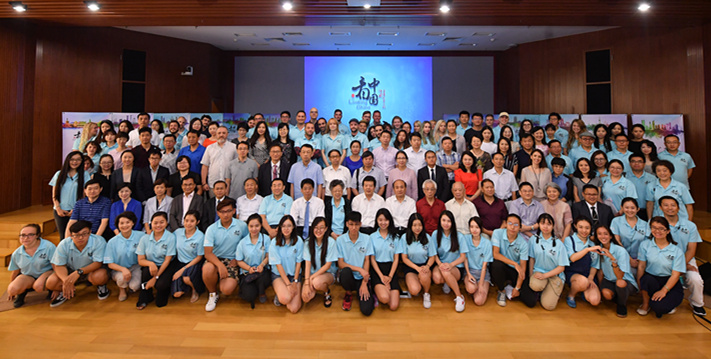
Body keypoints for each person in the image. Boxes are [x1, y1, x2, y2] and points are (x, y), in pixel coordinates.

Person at [659, 196, 706, 316]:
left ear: (678, 208)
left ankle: (697, 304)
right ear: (660, 207)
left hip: (686, 260)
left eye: (673, 205)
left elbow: (691, 249)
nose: (670, 208)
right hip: (663, 260)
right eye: (666, 205)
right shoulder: (655, 224)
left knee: (695, 279)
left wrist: (681, 266)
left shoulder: (690, 226)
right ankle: (668, 302)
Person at [46, 220, 110, 307]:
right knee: (51, 282)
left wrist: (79, 272)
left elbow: (98, 263)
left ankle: (101, 286)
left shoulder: (98, 241)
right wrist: (66, 281)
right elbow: (58, 265)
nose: (80, 238)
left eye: (84, 234)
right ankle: (67, 291)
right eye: (76, 235)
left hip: (90, 270)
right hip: (71, 270)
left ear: (90, 232)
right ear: (71, 236)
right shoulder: (64, 244)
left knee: (100, 276)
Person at [202, 198, 247, 312]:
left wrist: (237, 259)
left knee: (226, 290)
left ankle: (220, 282)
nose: (225, 214)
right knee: (207, 269)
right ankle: (212, 294)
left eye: (228, 211)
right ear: (218, 213)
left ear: (234, 211)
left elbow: (247, 245)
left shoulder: (242, 226)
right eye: (222, 212)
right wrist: (219, 265)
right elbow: (208, 253)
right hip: (215, 259)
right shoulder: (211, 229)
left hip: (233, 259)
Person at [636, 216, 686, 318]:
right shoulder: (645, 245)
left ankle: (662, 303)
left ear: (667, 231)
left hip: (669, 282)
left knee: (659, 308)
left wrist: (664, 290)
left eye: (661, 228)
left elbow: (675, 275)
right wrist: (639, 284)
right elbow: (641, 266)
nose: (657, 231)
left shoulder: (676, 251)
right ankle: (645, 304)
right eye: (654, 228)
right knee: (646, 279)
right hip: (652, 279)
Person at [519, 214, 569, 310]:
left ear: (553, 226)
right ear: (539, 225)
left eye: (549, 224)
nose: (545, 227)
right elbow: (532, 259)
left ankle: (549, 290)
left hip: (554, 276)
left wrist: (545, 276)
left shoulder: (559, 244)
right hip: (538, 272)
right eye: (542, 223)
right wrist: (531, 276)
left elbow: (561, 267)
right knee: (535, 285)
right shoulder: (533, 240)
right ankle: (542, 289)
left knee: (549, 306)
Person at [592, 224, 638, 318]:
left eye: (605, 234)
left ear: (610, 236)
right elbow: (600, 271)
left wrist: (612, 258)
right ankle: (621, 297)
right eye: (599, 234)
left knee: (620, 283)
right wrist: (600, 290)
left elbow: (620, 276)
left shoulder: (620, 251)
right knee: (606, 294)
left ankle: (622, 305)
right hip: (609, 279)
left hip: (624, 280)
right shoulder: (598, 249)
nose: (603, 236)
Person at [7, 224, 56, 308]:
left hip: (47, 273)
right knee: (12, 289)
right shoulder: (17, 253)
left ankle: (50, 289)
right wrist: (11, 289)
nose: (26, 238)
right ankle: (21, 293)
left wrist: (56, 287)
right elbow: (15, 272)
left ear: (37, 235)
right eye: (23, 235)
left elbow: (57, 267)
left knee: (38, 286)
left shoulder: (49, 247)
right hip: (28, 275)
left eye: (30, 235)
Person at [135, 212, 177, 309]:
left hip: (166, 265)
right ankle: (145, 296)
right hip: (151, 264)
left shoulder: (170, 237)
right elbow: (140, 260)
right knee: (145, 273)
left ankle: (164, 290)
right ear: (151, 223)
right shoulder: (144, 238)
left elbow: (167, 260)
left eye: (162, 222)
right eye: (155, 223)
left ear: (166, 223)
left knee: (160, 298)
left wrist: (156, 277)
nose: (158, 225)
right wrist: (151, 264)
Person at [337, 212, 375, 316]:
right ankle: (348, 293)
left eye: (356, 224)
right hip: (349, 277)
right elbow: (340, 263)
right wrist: (359, 269)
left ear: (360, 224)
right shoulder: (340, 240)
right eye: (351, 224)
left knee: (367, 310)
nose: (354, 227)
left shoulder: (367, 238)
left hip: (362, 278)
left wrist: (364, 282)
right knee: (345, 272)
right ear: (347, 224)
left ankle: (366, 287)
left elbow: (367, 260)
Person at [431, 210, 468, 312]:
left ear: (452, 223)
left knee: (445, 272)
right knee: (437, 279)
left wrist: (451, 265)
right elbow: (434, 254)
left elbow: (463, 257)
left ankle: (459, 297)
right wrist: (440, 264)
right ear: (440, 221)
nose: (446, 223)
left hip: (456, 267)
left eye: (448, 221)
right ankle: (448, 282)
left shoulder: (459, 236)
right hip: (441, 265)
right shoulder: (435, 234)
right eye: (443, 220)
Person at [50, 151, 91, 240]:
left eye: (78, 160)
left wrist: (76, 209)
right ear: (67, 160)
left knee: (76, 237)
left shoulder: (85, 174)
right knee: (63, 237)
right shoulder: (59, 174)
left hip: (76, 210)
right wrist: (58, 208)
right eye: (72, 159)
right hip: (60, 210)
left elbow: (85, 194)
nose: (75, 162)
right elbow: (55, 194)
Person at [369, 208, 404, 311]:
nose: (383, 223)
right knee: (385, 298)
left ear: (390, 221)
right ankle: (376, 291)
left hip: (391, 270)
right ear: (376, 221)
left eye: (386, 220)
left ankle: (382, 291)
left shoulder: (396, 237)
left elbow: (396, 259)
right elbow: (372, 259)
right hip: (377, 270)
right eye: (380, 220)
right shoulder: (372, 237)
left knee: (393, 306)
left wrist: (389, 277)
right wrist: (382, 277)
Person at [490, 214, 528, 307]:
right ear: (506, 224)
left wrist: (517, 288)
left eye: (516, 225)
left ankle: (510, 287)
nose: (512, 227)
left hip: (515, 271)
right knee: (496, 265)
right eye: (510, 223)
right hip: (502, 266)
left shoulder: (523, 244)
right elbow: (496, 254)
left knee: (530, 301)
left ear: (520, 227)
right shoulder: (497, 233)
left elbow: (522, 268)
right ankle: (502, 290)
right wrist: (514, 263)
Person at [563, 217, 601, 308]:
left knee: (595, 301)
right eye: (581, 227)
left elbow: (595, 265)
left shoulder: (593, 244)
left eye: (587, 228)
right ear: (575, 226)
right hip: (573, 273)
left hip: (587, 274)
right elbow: (572, 258)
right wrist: (587, 249)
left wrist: (591, 278)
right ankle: (571, 295)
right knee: (582, 282)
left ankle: (583, 291)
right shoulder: (569, 240)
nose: (584, 230)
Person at [104, 212, 142, 302]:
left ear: (133, 223)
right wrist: (123, 269)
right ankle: (122, 289)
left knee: (134, 286)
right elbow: (110, 264)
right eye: (121, 223)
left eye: (128, 222)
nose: (125, 225)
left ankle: (132, 286)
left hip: (136, 267)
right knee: (121, 278)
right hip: (119, 268)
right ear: (117, 225)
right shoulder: (112, 242)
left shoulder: (141, 236)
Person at [269, 215, 304, 313]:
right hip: (279, 276)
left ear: (293, 227)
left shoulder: (299, 241)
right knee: (285, 298)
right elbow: (278, 265)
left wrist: (295, 281)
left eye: (289, 226)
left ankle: (285, 292)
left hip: (294, 275)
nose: (286, 229)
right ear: (280, 227)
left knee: (294, 309)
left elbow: (298, 263)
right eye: (283, 226)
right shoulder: (274, 242)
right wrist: (288, 284)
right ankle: (281, 293)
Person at [302, 217, 339, 308]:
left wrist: (312, 278)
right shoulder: (307, 242)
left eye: (322, 227)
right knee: (305, 298)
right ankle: (315, 286)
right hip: (312, 275)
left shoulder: (331, 242)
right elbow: (307, 264)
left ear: (326, 229)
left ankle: (326, 292)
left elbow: (328, 265)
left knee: (317, 282)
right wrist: (307, 283)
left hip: (328, 274)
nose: (318, 230)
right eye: (316, 227)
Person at [401, 213, 436, 308]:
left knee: (424, 276)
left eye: (420, 225)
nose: (417, 228)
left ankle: (426, 294)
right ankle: (419, 283)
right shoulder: (404, 237)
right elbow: (404, 258)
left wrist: (427, 266)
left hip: (424, 265)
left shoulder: (427, 237)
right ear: (410, 226)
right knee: (414, 290)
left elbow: (432, 256)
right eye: (415, 225)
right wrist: (416, 268)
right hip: (411, 266)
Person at [171, 210, 205, 303]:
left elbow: (199, 257)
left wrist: (182, 270)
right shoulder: (177, 232)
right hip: (180, 261)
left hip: (194, 262)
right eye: (186, 220)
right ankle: (185, 286)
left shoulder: (200, 236)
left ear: (197, 222)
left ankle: (195, 290)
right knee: (176, 294)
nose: (188, 223)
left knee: (187, 278)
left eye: (192, 221)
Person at [611, 197, 649, 274]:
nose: (629, 210)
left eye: (632, 208)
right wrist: (629, 259)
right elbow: (617, 241)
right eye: (626, 208)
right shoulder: (616, 221)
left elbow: (646, 244)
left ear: (637, 209)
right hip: (621, 258)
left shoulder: (645, 224)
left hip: (640, 260)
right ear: (622, 208)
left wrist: (640, 260)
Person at [461, 217, 493, 306]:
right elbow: (465, 259)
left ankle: (478, 288)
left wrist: (481, 284)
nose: (474, 230)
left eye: (477, 227)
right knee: (471, 288)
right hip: (470, 271)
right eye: (471, 227)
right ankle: (472, 289)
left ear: (481, 228)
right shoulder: (466, 239)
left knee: (479, 301)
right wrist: (468, 274)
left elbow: (485, 265)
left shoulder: (487, 243)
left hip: (483, 273)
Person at [201, 126, 238, 195]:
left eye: (224, 133)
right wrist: (204, 183)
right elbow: (205, 166)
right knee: (213, 204)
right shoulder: (210, 148)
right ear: (216, 134)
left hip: (229, 184)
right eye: (219, 133)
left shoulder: (234, 147)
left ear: (227, 134)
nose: (221, 135)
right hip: (213, 183)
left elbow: (237, 165)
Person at [626, 153, 655, 220]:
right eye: (633, 161)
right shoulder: (624, 177)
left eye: (639, 161)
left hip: (648, 211)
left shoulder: (652, 178)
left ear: (644, 164)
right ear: (630, 163)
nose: (636, 163)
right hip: (630, 211)